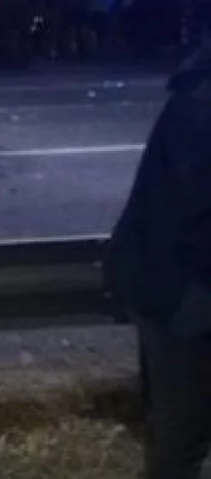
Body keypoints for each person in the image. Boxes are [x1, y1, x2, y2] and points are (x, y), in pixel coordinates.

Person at [105, 40, 211, 479]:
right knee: (182, 434)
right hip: (182, 294)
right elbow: (195, 215)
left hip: (172, 284)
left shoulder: (196, 97)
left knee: (179, 434)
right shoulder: (200, 109)